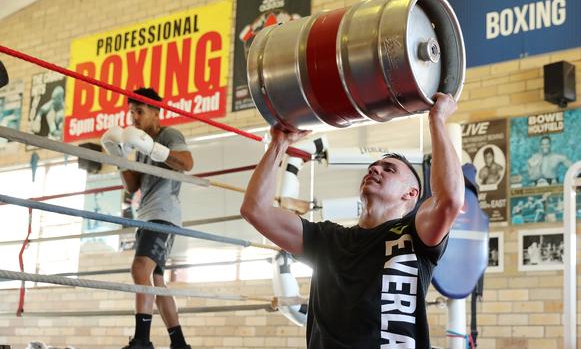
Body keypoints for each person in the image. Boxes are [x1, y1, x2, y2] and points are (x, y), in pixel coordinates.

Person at [241, 92, 464, 348]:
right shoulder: (326, 239)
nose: (375, 169)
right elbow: (255, 210)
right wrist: (279, 143)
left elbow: (450, 201)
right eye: (373, 166)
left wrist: (437, 119)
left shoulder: (414, 236)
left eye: (388, 169)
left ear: (411, 194)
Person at [101, 87, 194, 349]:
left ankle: (142, 340)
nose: (134, 117)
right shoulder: (139, 142)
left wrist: (156, 148)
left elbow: (187, 164)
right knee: (156, 281)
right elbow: (133, 186)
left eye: (139, 111)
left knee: (140, 268)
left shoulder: (169, 135)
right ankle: (179, 343)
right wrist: (118, 156)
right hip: (147, 215)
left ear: (156, 112)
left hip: (163, 216)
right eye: (131, 112)